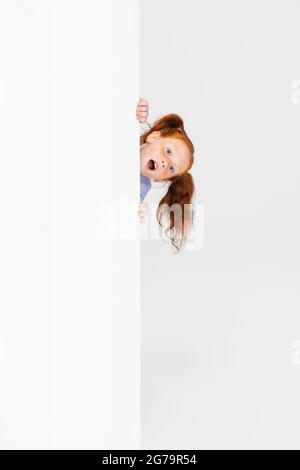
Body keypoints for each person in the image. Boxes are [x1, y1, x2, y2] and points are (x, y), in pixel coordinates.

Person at [136, 97, 196, 253]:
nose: (165, 163)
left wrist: (134, 208)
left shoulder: (142, 185)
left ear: (159, 179)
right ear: (154, 137)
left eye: (170, 169)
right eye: (168, 151)